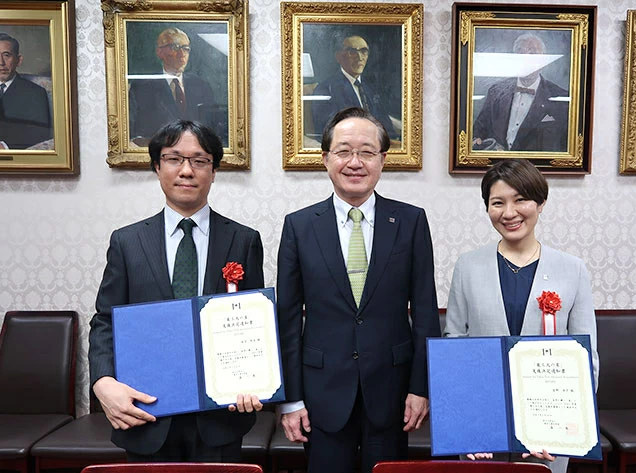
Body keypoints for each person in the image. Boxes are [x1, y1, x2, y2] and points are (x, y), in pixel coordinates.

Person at [89, 120, 264, 461]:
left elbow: (254, 320)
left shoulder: (243, 240)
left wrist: (255, 377)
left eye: (199, 160)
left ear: (214, 171)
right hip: (146, 413)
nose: (186, 170)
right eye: (174, 159)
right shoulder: (127, 242)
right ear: (157, 167)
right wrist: (102, 382)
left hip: (220, 417)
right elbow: (105, 321)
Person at [277, 107, 440, 473]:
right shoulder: (300, 227)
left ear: (382, 160)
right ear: (325, 159)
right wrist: (290, 400)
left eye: (367, 152)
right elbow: (287, 319)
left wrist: (421, 387)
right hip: (321, 393)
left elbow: (426, 312)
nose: (355, 162)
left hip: (393, 394)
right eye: (344, 151)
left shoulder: (411, 221)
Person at [443, 158, 598, 473]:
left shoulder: (572, 269)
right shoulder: (468, 266)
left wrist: (561, 429)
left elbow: (586, 359)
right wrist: (466, 428)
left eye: (521, 200)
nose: (509, 212)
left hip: (548, 428)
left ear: (541, 203)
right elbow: (454, 347)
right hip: (481, 429)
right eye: (497, 202)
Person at [473, 33, 569, 152]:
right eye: (520, 53)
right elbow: (478, 131)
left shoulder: (561, 97)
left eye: (532, 53)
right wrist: (478, 141)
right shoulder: (495, 92)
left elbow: (565, 147)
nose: (526, 59)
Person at [129, 28, 220, 146]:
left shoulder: (201, 86)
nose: (182, 54)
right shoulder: (142, 87)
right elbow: (133, 131)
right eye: (175, 47)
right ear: (159, 52)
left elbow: (214, 126)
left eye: (186, 49)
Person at [311, 35, 399, 140]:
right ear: (338, 56)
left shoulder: (371, 88)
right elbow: (329, 132)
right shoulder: (326, 89)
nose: (359, 57)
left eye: (363, 51)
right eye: (352, 51)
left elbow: (384, 121)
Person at [0, 32, 52, 149]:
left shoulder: (35, 93)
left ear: (18, 60)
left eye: (6, 55)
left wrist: (4, 145)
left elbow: (40, 132)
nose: (1, 62)